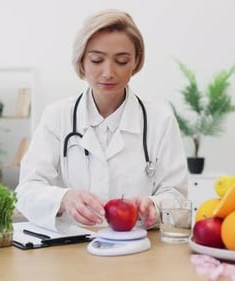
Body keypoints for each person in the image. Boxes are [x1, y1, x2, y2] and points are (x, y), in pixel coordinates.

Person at [15, 9, 188, 231]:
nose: (108, 72)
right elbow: (27, 190)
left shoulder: (160, 120)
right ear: (81, 61)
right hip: (70, 248)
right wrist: (64, 198)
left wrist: (153, 204)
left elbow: (176, 195)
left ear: (136, 61)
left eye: (122, 61)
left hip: (137, 247)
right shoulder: (57, 116)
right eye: (97, 60)